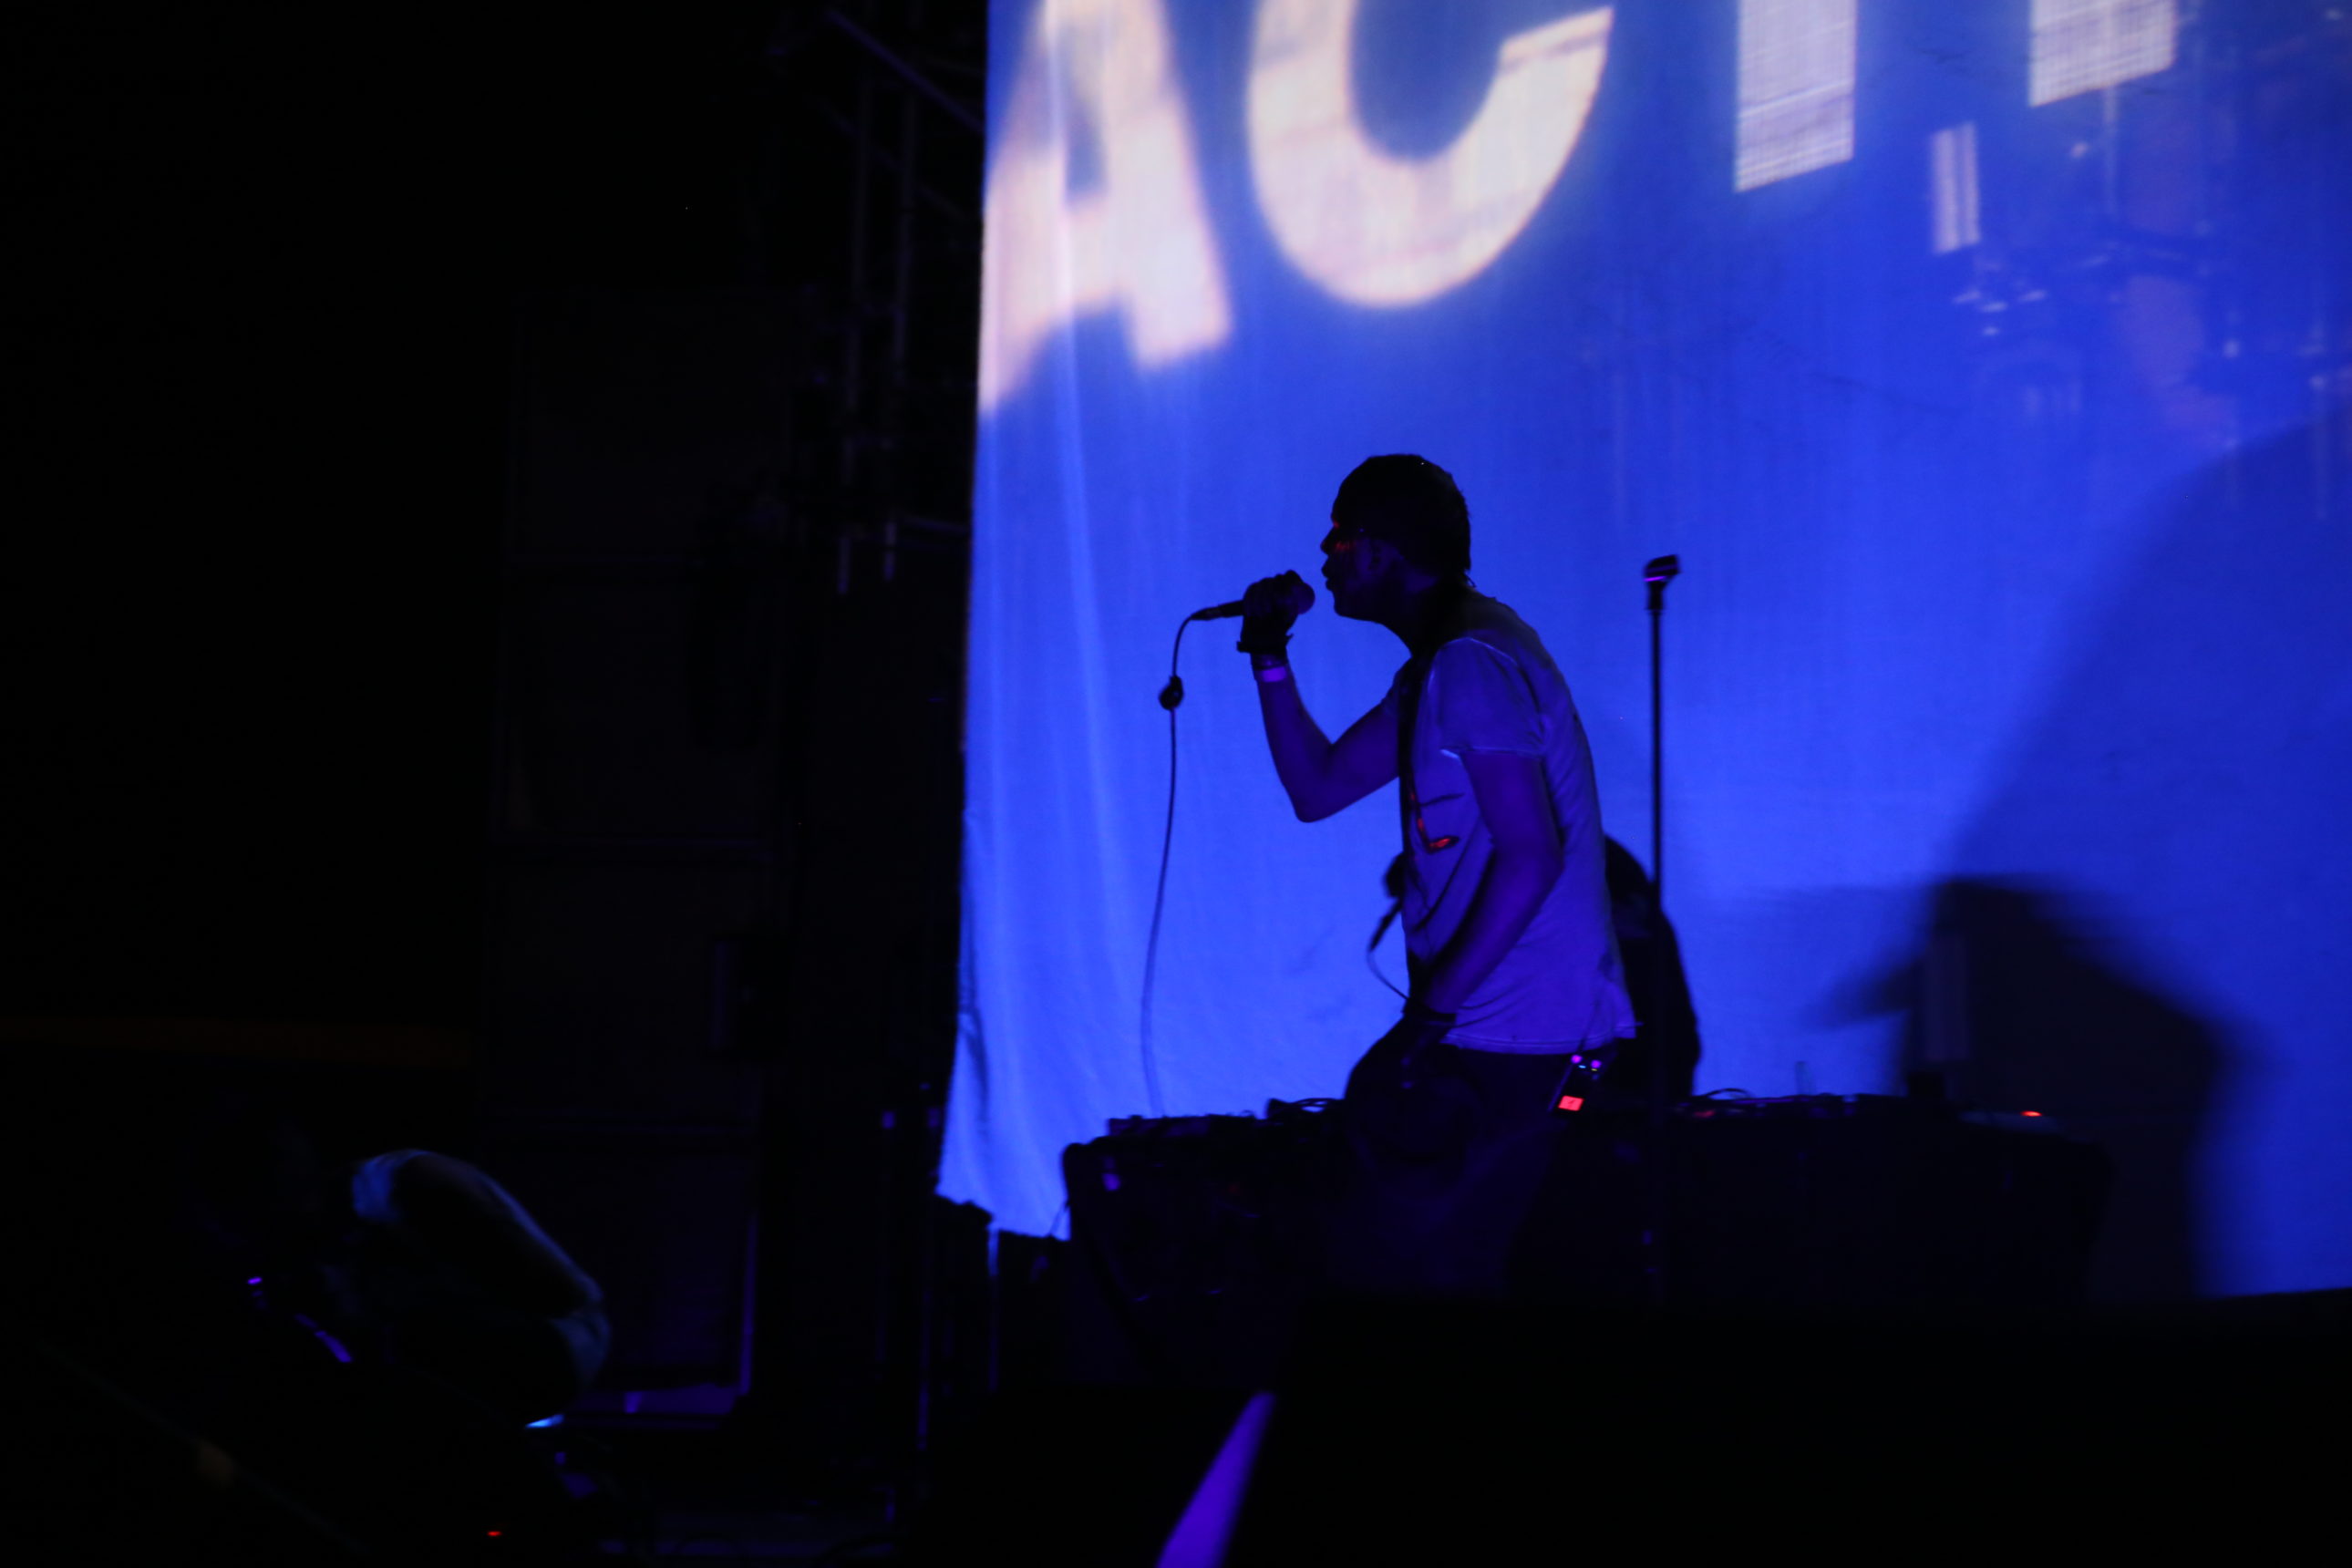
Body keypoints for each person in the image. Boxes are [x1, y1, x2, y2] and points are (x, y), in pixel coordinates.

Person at [1238, 454, 1635, 1296]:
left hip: (1514, 1035)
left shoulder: (1472, 663)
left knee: (1417, 1277)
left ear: (1382, 552)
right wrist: (1268, 655)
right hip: (1505, 1032)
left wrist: (1425, 1018)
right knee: (1435, 1276)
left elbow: (1532, 855)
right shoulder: (1444, 666)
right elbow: (1318, 787)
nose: (1325, 555)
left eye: (1340, 537)